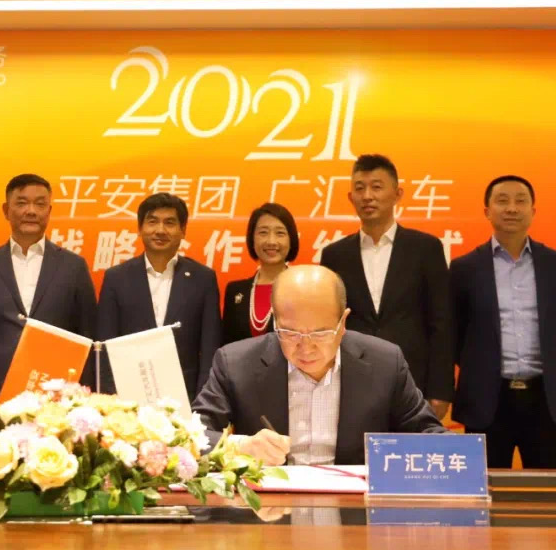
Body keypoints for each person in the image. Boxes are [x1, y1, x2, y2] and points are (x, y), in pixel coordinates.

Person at [192, 265, 446, 466]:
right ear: (275, 320)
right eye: (290, 333)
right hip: (268, 507)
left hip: (354, 506)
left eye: (321, 333)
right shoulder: (236, 363)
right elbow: (192, 437)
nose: (306, 347)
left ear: (343, 322)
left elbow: (428, 434)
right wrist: (240, 447)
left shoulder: (385, 363)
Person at [451, 176, 556, 468]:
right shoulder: (464, 268)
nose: (512, 208)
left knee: (550, 490)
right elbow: (456, 334)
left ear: (533, 210)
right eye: (502, 201)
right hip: (487, 400)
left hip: (545, 400)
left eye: (520, 201)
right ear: (487, 211)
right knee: (486, 489)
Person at [320, 154, 453, 419]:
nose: (367, 196)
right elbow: (329, 323)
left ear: (397, 194)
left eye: (377, 187)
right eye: (360, 188)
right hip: (353, 379)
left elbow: (442, 323)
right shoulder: (335, 255)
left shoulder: (426, 248)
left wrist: (441, 389)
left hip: (414, 380)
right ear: (350, 197)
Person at [0, 174, 96, 415]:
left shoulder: (73, 266)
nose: (31, 211)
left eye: (40, 204)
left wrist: (86, 403)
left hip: (56, 395)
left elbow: (88, 337)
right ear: (6, 210)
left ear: (49, 211)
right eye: (21, 203)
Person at [96, 193, 222, 402]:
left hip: (186, 398)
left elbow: (210, 347)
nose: (160, 230)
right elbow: (105, 345)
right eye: (152, 222)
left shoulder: (203, 279)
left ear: (183, 230)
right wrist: (111, 401)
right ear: (140, 228)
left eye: (169, 223)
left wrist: (203, 402)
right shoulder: (116, 278)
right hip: (128, 398)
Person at [222, 203, 300, 345]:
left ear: (291, 239)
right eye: (263, 232)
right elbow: (226, 345)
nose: (271, 241)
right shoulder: (235, 291)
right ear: (252, 238)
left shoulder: (304, 289)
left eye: (280, 233)